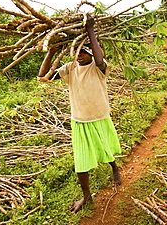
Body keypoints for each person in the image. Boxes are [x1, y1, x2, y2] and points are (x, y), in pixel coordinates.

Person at [38, 13, 122, 213]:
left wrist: (90, 29)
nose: (81, 55)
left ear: (92, 52)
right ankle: (86, 196)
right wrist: (51, 52)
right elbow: (43, 77)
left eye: (85, 51)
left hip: (100, 116)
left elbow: (99, 57)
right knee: (81, 161)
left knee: (105, 149)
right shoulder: (70, 68)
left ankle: (115, 168)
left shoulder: (99, 67)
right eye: (78, 52)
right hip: (80, 121)